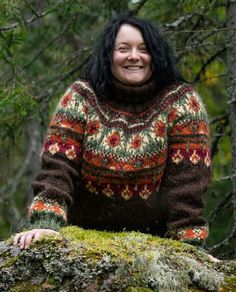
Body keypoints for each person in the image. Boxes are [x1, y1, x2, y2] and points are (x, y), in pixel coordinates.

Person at [13, 14, 211, 250]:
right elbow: (58, 167)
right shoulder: (81, 97)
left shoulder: (182, 102)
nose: (134, 56)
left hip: (155, 245)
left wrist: (190, 246)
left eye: (144, 49)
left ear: (156, 55)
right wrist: (46, 224)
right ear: (109, 55)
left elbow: (187, 185)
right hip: (81, 238)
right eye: (123, 48)